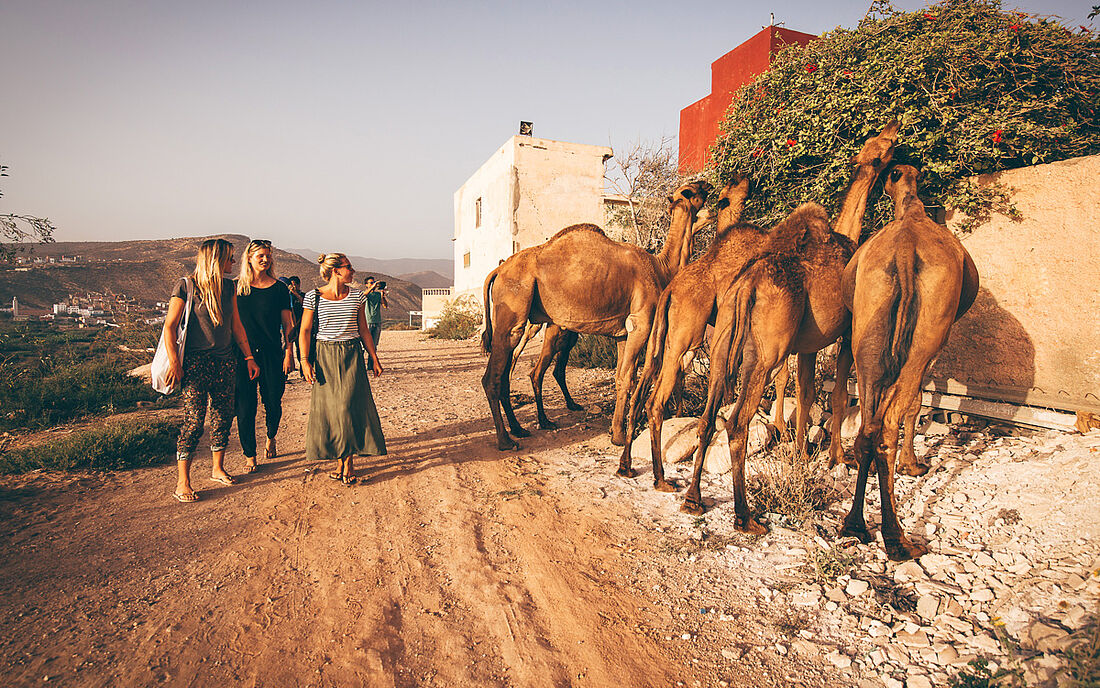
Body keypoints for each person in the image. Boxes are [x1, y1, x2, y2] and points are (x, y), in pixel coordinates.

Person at [163, 238, 259, 503]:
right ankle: (183, 482)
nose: (233, 262)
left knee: (223, 416)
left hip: (225, 360)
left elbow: (236, 326)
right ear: (215, 259)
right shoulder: (185, 286)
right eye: (230, 258)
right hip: (194, 364)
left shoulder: (229, 287)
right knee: (194, 422)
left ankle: (217, 468)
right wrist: (175, 363)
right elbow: (170, 326)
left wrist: (248, 357)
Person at [300, 254, 386, 484]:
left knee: (348, 407)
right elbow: (305, 330)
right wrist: (304, 361)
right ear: (336, 271)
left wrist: (374, 357)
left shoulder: (357, 296)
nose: (353, 271)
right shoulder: (313, 297)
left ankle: (347, 462)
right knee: (332, 410)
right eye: (349, 268)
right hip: (324, 356)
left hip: (351, 355)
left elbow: (364, 329)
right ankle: (341, 459)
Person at [234, 240, 295, 472]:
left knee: (273, 401)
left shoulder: (279, 289)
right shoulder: (236, 288)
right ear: (248, 258)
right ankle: (249, 454)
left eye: (268, 255)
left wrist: (289, 354)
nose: (265, 259)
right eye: (260, 255)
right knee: (245, 406)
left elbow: (288, 325)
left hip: (272, 353)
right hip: (242, 355)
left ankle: (271, 436)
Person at [363, 276, 387, 367]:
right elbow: (364, 295)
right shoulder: (365, 294)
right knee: (363, 345)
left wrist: (382, 296)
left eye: (374, 282)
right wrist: (373, 287)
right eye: (371, 283)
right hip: (367, 321)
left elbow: (385, 305)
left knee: (374, 345)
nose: (373, 284)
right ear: (366, 285)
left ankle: (371, 364)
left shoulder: (377, 294)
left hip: (377, 321)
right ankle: (360, 364)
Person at [286, 275, 305, 378]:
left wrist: (296, 294)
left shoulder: (303, 295)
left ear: (298, 285)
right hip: (289, 325)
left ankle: (303, 370)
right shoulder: (288, 296)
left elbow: (305, 304)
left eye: (294, 285)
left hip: (300, 325)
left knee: (300, 348)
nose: (293, 287)